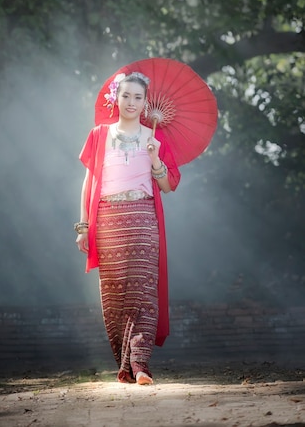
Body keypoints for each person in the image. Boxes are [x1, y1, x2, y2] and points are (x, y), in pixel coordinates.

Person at [75, 71, 181, 385]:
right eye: (126, 96)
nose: (131, 102)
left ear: (145, 103)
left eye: (138, 97)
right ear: (115, 98)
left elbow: (168, 186)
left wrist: (154, 159)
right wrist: (83, 227)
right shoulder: (98, 134)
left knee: (144, 292)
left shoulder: (155, 138)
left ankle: (141, 363)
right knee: (114, 297)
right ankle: (125, 363)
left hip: (144, 217)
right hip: (107, 221)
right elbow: (89, 183)